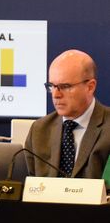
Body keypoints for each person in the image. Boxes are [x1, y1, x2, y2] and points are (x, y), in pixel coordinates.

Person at [25, 49, 110, 178]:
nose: (56, 95)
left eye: (65, 86)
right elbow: (26, 188)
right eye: (52, 86)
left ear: (90, 86)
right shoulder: (39, 130)